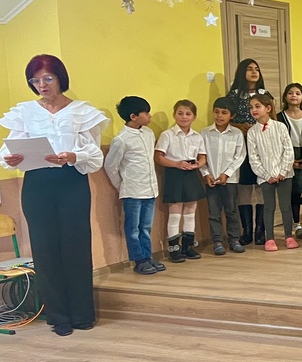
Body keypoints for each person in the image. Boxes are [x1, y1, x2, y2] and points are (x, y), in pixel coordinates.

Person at [0, 54, 110, 336]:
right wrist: (10, 159)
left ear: (60, 78)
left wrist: (73, 156)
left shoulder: (82, 111)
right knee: (45, 249)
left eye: (48, 78)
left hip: (71, 181)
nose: (42, 85)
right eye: (35, 80)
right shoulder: (25, 112)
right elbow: (5, 151)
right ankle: (58, 316)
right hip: (37, 184)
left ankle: (82, 314)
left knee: (76, 246)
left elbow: (94, 156)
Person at [104, 96, 163, 275]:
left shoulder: (148, 133)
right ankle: (139, 260)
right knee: (133, 229)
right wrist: (121, 186)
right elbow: (110, 165)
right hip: (132, 191)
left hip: (150, 189)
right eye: (146, 113)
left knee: (146, 227)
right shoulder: (121, 139)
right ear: (133, 116)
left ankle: (147, 256)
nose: (150, 116)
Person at [154, 100, 207, 263]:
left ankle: (188, 246)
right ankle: (174, 248)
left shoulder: (197, 136)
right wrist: (176, 164)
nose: (184, 117)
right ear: (174, 115)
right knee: (175, 212)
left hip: (191, 173)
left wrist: (198, 165)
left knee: (190, 211)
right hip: (174, 173)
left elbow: (202, 157)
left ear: (194, 117)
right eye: (180, 113)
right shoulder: (167, 135)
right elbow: (159, 157)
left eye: (188, 114)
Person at [246, 91, 297, 252]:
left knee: (285, 206)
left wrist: (283, 171)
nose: (254, 110)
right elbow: (253, 157)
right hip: (265, 177)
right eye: (251, 107)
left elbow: (288, 150)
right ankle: (269, 238)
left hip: (285, 175)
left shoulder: (280, 127)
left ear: (268, 108)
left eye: (257, 106)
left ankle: (289, 236)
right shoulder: (252, 132)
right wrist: (266, 175)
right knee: (268, 207)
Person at [226, 58, 266, 246]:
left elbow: (271, 119)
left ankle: (260, 230)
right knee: (244, 188)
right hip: (240, 145)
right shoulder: (233, 95)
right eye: (249, 69)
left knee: (260, 186)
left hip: (261, 146)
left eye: (256, 69)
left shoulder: (264, 94)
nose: (254, 72)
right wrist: (239, 126)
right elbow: (225, 119)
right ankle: (247, 231)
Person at [200, 97, 247, 256]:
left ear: (232, 115)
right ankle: (217, 241)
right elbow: (201, 156)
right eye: (217, 112)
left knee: (231, 211)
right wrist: (206, 174)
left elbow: (239, 156)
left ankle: (234, 239)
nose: (219, 116)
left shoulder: (237, 134)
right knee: (214, 213)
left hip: (230, 180)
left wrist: (226, 174)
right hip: (211, 180)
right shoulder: (205, 133)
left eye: (224, 113)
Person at [276, 83, 302, 240]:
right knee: (294, 192)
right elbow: (277, 141)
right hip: (288, 154)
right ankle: (297, 226)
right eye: (290, 93)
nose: (294, 96)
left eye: (298, 93)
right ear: (285, 97)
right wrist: (288, 160)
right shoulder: (279, 117)